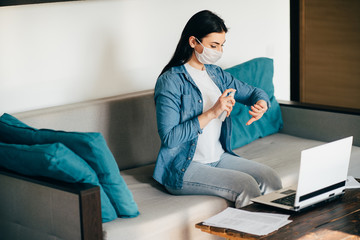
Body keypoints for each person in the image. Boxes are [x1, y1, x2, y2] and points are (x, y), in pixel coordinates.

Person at [153, 10, 282, 208]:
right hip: (184, 166)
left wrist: (261, 104)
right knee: (246, 185)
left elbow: (254, 93)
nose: (218, 51)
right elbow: (170, 138)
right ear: (193, 42)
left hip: (219, 156)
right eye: (213, 45)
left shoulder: (216, 74)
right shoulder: (170, 81)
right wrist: (212, 112)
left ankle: (278, 232)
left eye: (221, 45)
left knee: (270, 177)